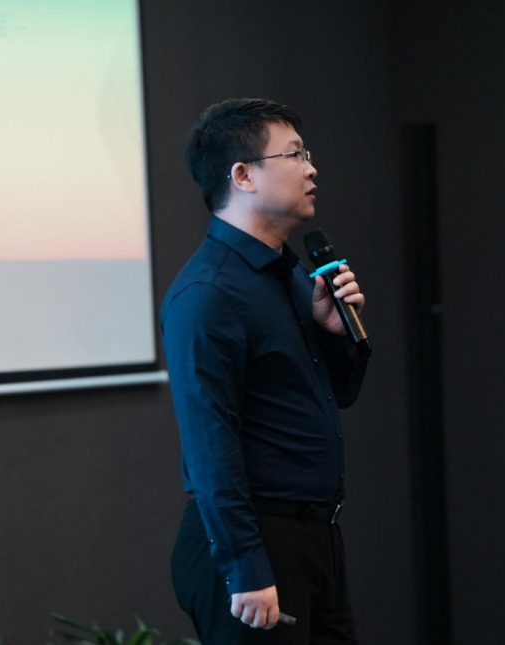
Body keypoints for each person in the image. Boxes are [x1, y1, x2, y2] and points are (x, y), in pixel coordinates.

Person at [161, 98, 370, 645]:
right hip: (253, 544)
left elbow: (336, 395)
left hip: (315, 538)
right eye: (295, 155)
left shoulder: (292, 275)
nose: (311, 169)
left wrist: (335, 335)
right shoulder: (208, 293)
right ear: (243, 176)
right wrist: (245, 567)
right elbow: (210, 443)